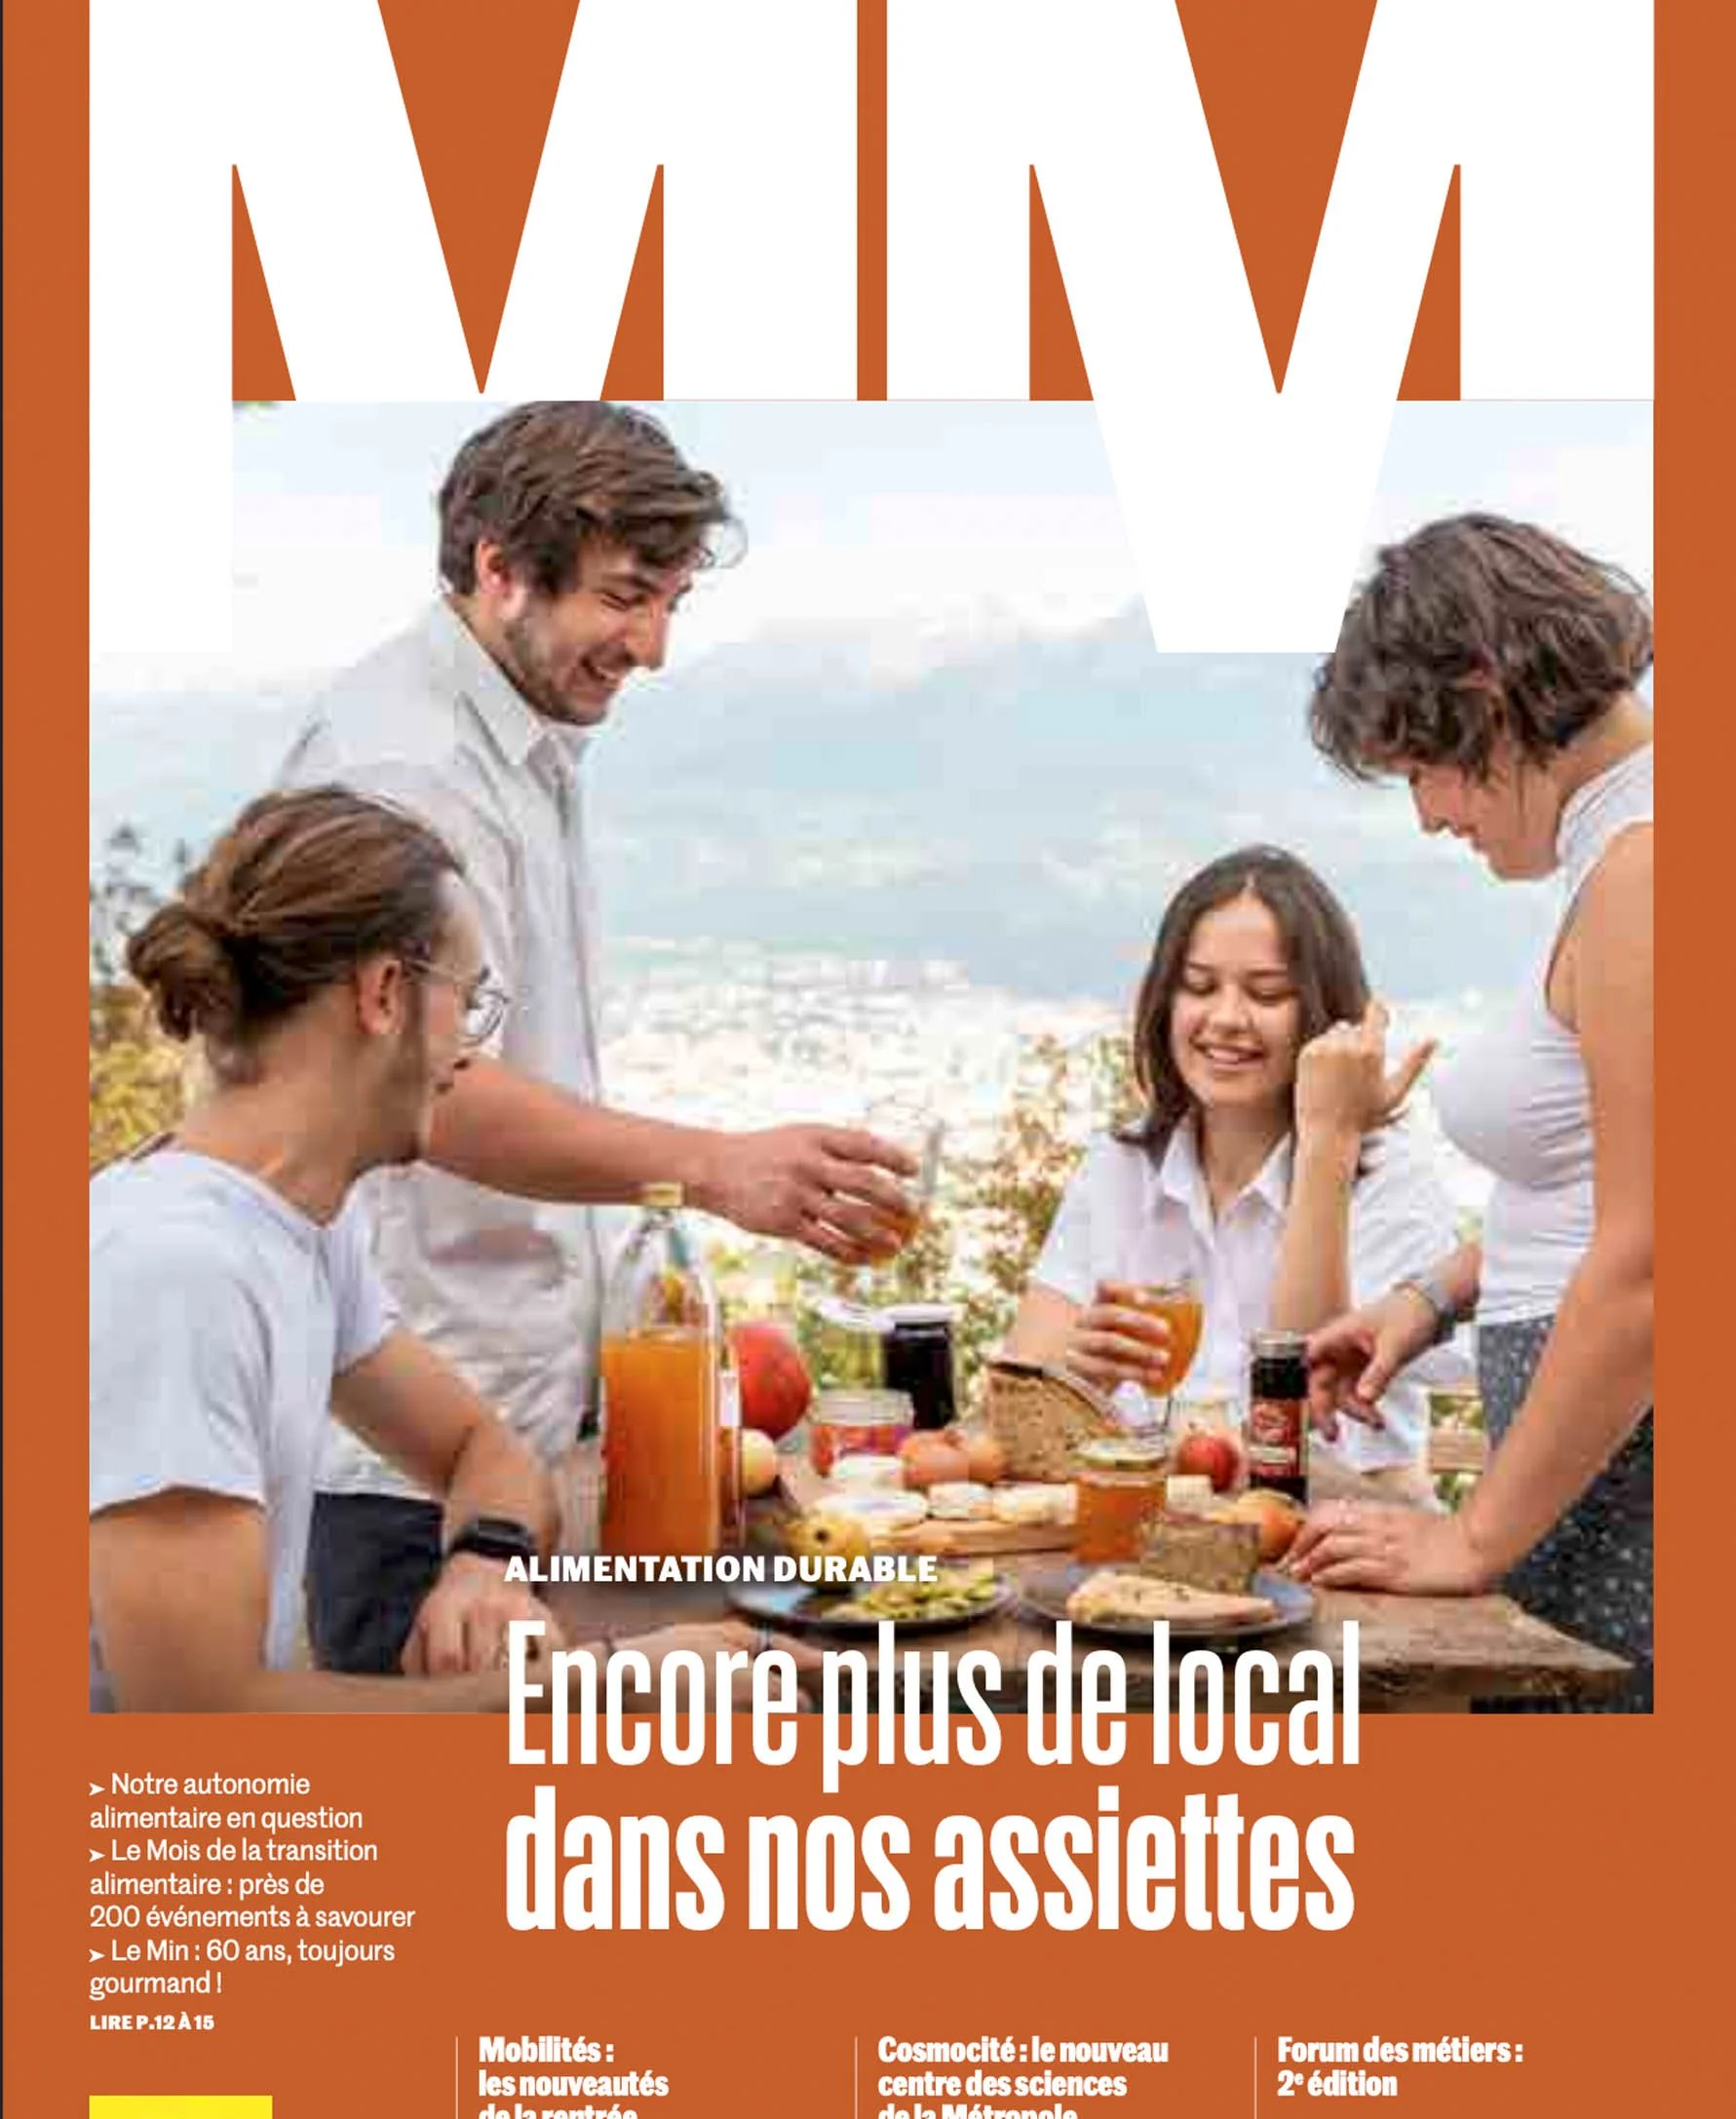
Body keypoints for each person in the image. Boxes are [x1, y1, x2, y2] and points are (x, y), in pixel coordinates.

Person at [280, 402, 910, 1672]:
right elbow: (427, 1093)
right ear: (500, 568)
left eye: (671, 600)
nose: (655, 646)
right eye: (628, 598)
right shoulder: (408, 771)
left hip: (505, 1426)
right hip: (409, 1450)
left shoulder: (520, 732)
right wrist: (721, 1167)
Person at [91, 788, 561, 1712]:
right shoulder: (176, 1274)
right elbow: (202, 1743)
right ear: (385, 993)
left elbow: (483, 1448)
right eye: (467, 1002)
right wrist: (602, 1689)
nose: (466, 1052)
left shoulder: (295, 1221)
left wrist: (483, 1567)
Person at [1291, 514, 1653, 1714]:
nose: (1430, 816)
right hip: (1589, 1471)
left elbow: (1656, 1257)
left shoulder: (1647, 871)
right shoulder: (1620, 858)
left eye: (1418, 769)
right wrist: (1434, 1293)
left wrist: (1471, 1539)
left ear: (1482, 694)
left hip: (1632, 1488)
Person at [1006, 847, 1464, 1500]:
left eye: (1266, 993)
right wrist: (1078, 1375)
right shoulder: (1121, 1167)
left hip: (1337, 1536)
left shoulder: (1388, 1180)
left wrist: (1327, 1140)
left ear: (1322, 1011)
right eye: (1197, 987)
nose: (1224, 1018)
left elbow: (1304, 1390)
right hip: (1150, 1529)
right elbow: (1019, 1405)